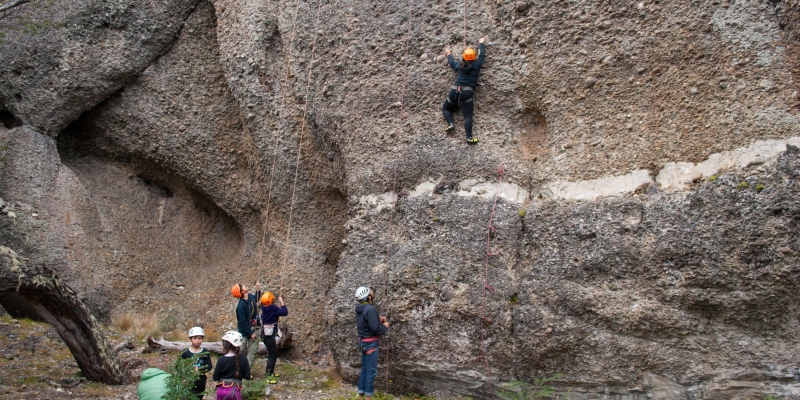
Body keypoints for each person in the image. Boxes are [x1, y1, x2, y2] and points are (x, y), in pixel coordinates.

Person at [441, 37, 487, 144]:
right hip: (467, 92)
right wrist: (481, 43)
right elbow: (482, 55)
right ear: (474, 57)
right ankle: (469, 138)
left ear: (464, 57)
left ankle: (451, 124)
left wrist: (448, 54)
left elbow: (452, 63)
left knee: (446, 109)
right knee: (467, 116)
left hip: (454, 90)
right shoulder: (477, 65)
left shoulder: (460, 66)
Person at [354, 286, 389, 400]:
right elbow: (375, 329)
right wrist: (384, 326)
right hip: (370, 344)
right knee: (371, 371)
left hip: (362, 342)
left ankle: (360, 394)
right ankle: (368, 397)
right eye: (371, 292)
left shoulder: (360, 309)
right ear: (368, 296)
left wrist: (378, 321)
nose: (373, 293)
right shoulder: (370, 309)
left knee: (364, 368)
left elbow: (367, 324)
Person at [213, 330, 251, 400]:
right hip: (235, 392)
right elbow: (247, 376)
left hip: (222, 392)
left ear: (225, 345)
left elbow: (215, 377)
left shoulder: (221, 360)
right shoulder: (243, 358)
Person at [260, 292, 288, 383]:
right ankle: (268, 376)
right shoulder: (273, 308)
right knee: (272, 355)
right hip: (269, 335)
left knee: (273, 353)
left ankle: (271, 373)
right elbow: (285, 312)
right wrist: (282, 302)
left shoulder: (264, 307)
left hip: (264, 334)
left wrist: (277, 307)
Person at [231, 281, 261, 365]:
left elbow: (256, 298)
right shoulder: (240, 306)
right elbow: (242, 322)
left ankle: (247, 368)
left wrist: (258, 289)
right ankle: (239, 368)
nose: (244, 285)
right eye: (242, 286)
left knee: (253, 349)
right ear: (242, 291)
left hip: (253, 326)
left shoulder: (250, 296)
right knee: (242, 351)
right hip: (244, 331)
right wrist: (251, 333)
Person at [180, 326, 213, 398]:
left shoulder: (205, 352)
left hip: (201, 381)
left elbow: (209, 366)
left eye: (200, 338)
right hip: (189, 381)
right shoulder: (185, 352)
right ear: (190, 339)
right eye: (195, 338)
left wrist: (199, 369)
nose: (197, 340)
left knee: (199, 397)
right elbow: (179, 366)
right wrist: (182, 377)